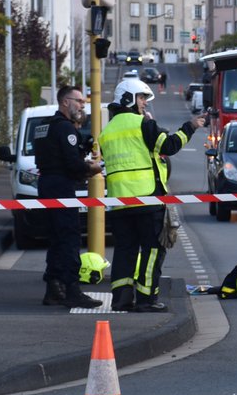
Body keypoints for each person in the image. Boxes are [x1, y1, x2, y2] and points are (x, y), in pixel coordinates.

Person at [99, 77, 207, 312]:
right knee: (152, 250)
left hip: (119, 203)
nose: (144, 104)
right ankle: (146, 299)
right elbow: (168, 146)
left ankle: (121, 299)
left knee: (124, 251)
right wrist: (190, 126)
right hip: (147, 199)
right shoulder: (142, 124)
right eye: (141, 98)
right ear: (128, 99)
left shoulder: (106, 132)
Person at [33, 84, 103, 308]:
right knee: (70, 238)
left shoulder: (44, 127)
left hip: (46, 185)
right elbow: (72, 165)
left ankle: (53, 289)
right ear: (65, 102)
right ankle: (72, 289)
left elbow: (53, 156)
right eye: (79, 101)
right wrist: (91, 168)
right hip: (62, 187)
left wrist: (80, 150)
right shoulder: (65, 128)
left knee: (55, 239)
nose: (83, 105)